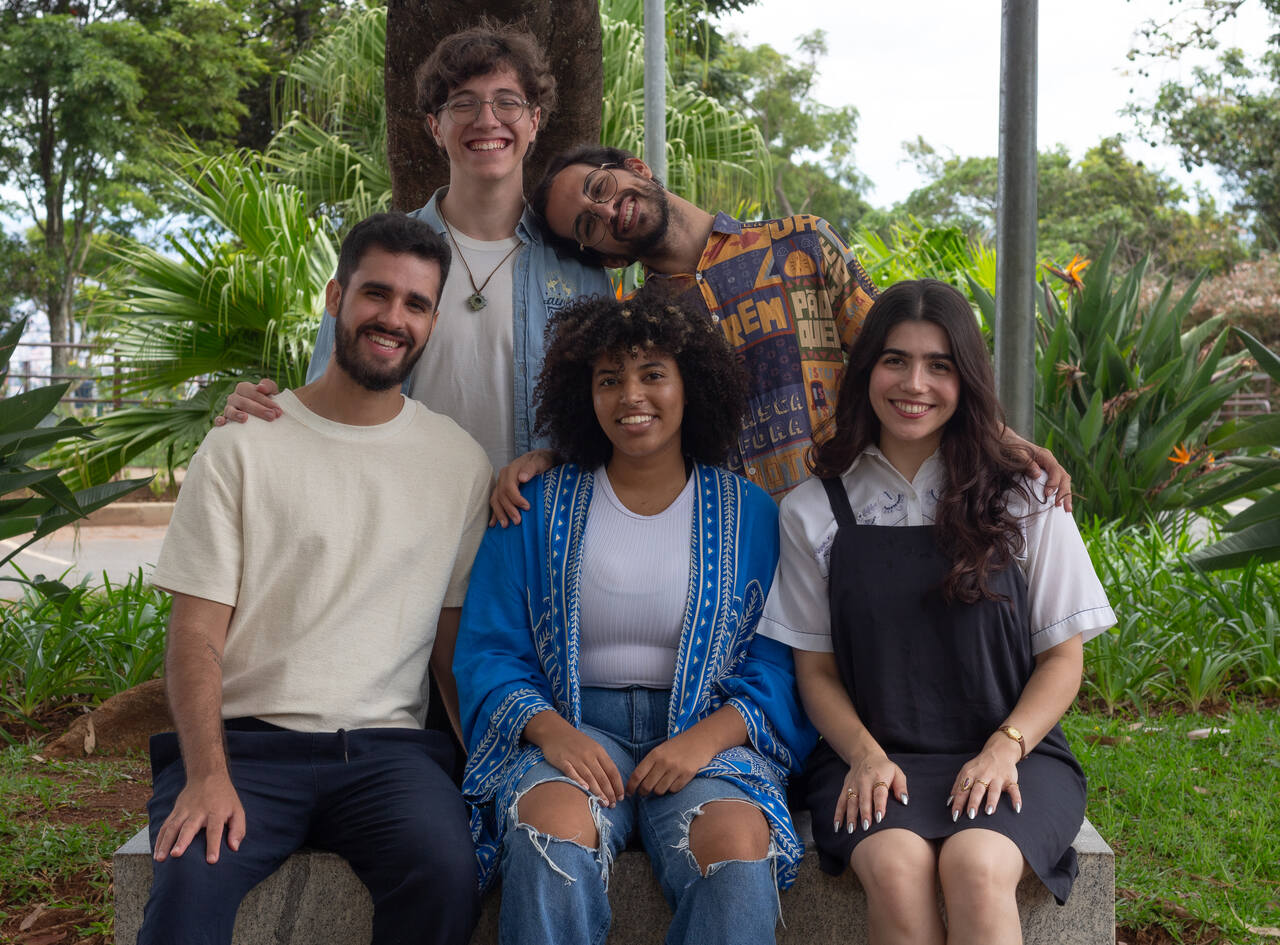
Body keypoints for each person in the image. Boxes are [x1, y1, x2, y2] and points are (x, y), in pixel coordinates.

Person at [139, 213, 491, 945]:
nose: (392, 318)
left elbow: (450, 647)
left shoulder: (458, 461)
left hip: (389, 756)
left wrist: (494, 767)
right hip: (246, 747)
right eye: (376, 294)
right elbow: (195, 633)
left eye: (416, 304)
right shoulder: (243, 445)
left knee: (447, 874)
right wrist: (206, 773)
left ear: (430, 321)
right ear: (335, 297)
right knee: (185, 896)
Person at [757, 279, 1115, 945]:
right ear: (867, 370)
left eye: (939, 365)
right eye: (895, 360)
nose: (913, 383)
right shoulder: (813, 508)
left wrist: (1004, 748)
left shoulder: (1028, 496)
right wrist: (864, 756)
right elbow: (817, 671)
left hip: (1015, 752)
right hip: (868, 758)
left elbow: (1064, 658)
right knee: (895, 867)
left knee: (978, 866)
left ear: (966, 378)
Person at [452, 294, 816, 945]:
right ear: (583, 394)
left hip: (708, 737)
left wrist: (702, 741)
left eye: (653, 373)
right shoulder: (534, 508)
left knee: (736, 851)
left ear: (690, 384)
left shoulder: (753, 513)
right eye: (609, 378)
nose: (631, 395)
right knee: (547, 838)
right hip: (574, 726)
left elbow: (780, 663)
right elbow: (489, 649)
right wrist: (554, 734)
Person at [491, 144, 1070, 520]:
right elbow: (632, 431)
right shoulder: (642, 331)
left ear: (635, 169)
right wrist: (549, 459)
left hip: (860, 518)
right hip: (739, 550)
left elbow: (900, 360)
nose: (608, 210)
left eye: (600, 187)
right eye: (588, 226)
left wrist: (1006, 440)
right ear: (607, 259)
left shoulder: (802, 242)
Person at [219, 22, 612, 474]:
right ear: (435, 127)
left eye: (507, 102)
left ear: (534, 120)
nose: (487, 119)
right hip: (400, 519)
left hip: (535, 528)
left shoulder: (581, 270)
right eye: (463, 103)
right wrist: (260, 415)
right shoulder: (379, 254)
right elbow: (326, 396)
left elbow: (605, 417)